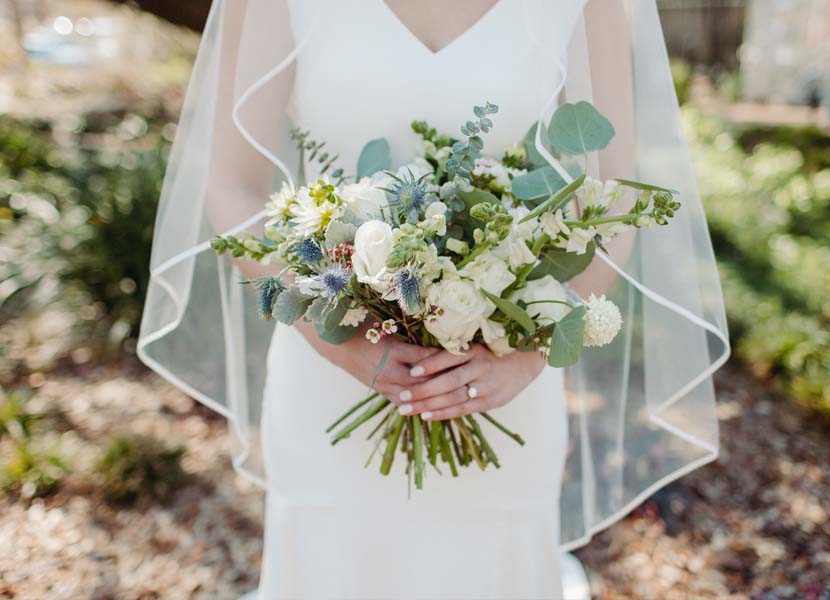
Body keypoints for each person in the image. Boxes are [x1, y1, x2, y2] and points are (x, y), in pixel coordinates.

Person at [137, 1, 730, 598]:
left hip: (501, 381)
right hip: (328, 370)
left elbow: (614, 202)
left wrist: (527, 354)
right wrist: (337, 339)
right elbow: (232, 186)